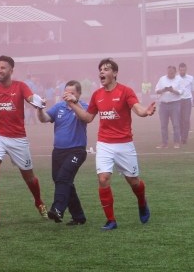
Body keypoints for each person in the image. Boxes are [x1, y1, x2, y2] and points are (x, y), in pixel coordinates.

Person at [66, 58, 156, 231]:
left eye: (106, 69)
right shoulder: (97, 95)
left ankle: (142, 201)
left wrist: (146, 112)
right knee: (103, 178)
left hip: (124, 144)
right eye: (100, 69)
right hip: (104, 144)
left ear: (115, 73)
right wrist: (72, 104)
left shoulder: (125, 91)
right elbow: (87, 117)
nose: (102, 72)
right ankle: (111, 220)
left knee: (134, 182)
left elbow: (138, 109)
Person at [0, 55, 49, 228]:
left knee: (29, 177)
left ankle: (38, 201)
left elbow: (31, 98)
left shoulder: (20, 86)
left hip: (18, 139)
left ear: (11, 70)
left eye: (2, 68)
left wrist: (39, 102)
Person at [37, 80, 89, 225]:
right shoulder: (59, 106)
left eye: (72, 93)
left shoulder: (83, 106)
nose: (68, 95)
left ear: (78, 94)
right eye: (66, 92)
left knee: (63, 178)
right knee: (64, 182)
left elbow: (84, 117)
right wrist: (40, 108)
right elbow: (44, 119)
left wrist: (74, 102)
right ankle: (79, 217)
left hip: (76, 151)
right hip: (58, 151)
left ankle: (58, 209)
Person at [154, 65, 183, 149]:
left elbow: (181, 92)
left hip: (175, 104)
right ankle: (164, 143)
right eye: (169, 72)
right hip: (163, 105)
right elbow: (156, 90)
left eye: (172, 72)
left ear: (175, 72)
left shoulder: (179, 80)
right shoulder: (162, 79)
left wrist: (172, 90)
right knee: (163, 125)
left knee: (176, 124)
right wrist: (164, 90)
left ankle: (176, 142)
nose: (170, 73)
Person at [177, 62, 192, 145]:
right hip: (178, 100)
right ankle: (181, 135)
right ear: (179, 70)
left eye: (183, 70)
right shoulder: (176, 79)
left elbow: (192, 90)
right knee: (179, 119)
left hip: (187, 100)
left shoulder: (191, 78)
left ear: (186, 69)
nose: (182, 71)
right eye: (181, 70)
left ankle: (184, 138)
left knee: (186, 119)